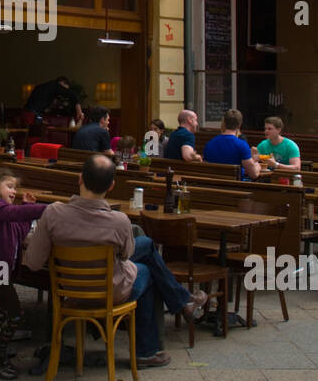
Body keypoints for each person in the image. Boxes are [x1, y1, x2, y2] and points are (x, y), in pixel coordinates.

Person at [22, 155, 206, 368]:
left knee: (145, 248)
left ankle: (182, 304)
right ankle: (149, 347)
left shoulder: (52, 213)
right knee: (147, 269)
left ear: (79, 179)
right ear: (111, 186)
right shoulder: (119, 221)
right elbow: (126, 254)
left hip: (68, 288)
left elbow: (34, 263)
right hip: (109, 290)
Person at [0, 168, 47, 379]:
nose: (13, 191)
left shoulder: (5, 212)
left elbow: (20, 227)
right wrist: (46, 210)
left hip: (3, 270)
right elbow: (16, 214)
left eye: (14, 187)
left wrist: (28, 206)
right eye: (9, 186)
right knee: (14, 313)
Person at [203, 108, 262, 179]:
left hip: (212, 185)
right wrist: (257, 166)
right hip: (235, 187)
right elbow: (254, 174)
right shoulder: (242, 145)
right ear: (239, 125)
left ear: (224, 123)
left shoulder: (210, 144)